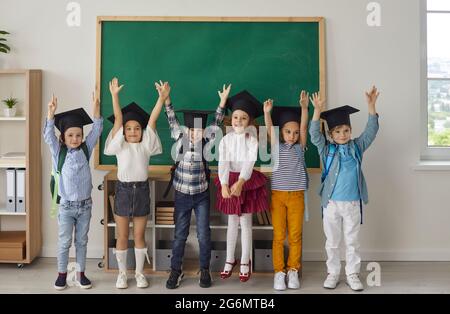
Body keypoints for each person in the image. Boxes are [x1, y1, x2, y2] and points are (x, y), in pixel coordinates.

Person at [309, 86, 380, 291]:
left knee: (352, 241)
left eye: (346, 130)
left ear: (350, 131)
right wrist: (316, 111)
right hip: (331, 203)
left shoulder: (357, 147)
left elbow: (371, 131)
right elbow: (314, 135)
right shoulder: (327, 150)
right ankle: (333, 273)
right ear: (331, 134)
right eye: (338, 131)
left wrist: (371, 106)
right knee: (332, 241)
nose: (342, 134)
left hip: (352, 202)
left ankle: (352, 274)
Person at [104, 77, 164, 289]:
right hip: (123, 191)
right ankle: (122, 274)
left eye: (136, 128)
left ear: (142, 131)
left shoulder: (146, 145)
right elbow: (118, 119)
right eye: (128, 129)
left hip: (141, 192)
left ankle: (139, 273)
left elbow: (153, 121)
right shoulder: (119, 146)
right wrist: (114, 96)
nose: (132, 131)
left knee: (139, 235)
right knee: (122, 236)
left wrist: (161, 99)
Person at [44, 93, 103, 290]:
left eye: (78, 135)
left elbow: (97, 128)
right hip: (66, 206)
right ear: (63, 137)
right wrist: (50, 114)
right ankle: (62, 274)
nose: (75, 138)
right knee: (64, 242)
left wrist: (95, 108)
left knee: (82, 242)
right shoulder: (58, 151)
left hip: (85, 206)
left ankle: (80, 274)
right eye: (70, 135)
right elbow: (48, 135)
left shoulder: (86, 148)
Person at [263, 90, 309, 290]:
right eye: (288, 132)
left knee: (296, 235)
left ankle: (293, 270)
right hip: (278, 196)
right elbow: (268, 130)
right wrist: (267, 113)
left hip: (297, 196)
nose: (292, 136)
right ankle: (279, 272)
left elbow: (306, 126)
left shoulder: (300, 148)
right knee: (279, 236)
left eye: (296, 132)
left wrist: (305, 108)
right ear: (281, 132)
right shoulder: (276, 147)